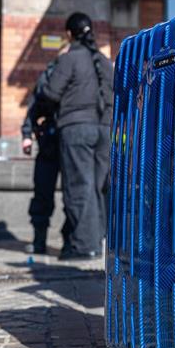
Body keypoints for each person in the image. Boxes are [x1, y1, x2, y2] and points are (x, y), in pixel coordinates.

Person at [37, 13, 113, 260]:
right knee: (98, 187)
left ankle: (84, 246)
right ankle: (98, 240)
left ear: (69, 34)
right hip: (105, 130)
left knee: (80, 187)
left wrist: (42, 113)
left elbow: (50, 93)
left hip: (76, 129)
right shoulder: (104, 61)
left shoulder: (69, 59)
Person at [21, 47, 72, 255]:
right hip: (49, 141)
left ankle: (69, 241)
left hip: (70, 141)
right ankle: (39, 239)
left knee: (73, 194)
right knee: (42, 192)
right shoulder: (49, 74)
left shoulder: (79, 72)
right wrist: (27, 134)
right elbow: (35, 106)